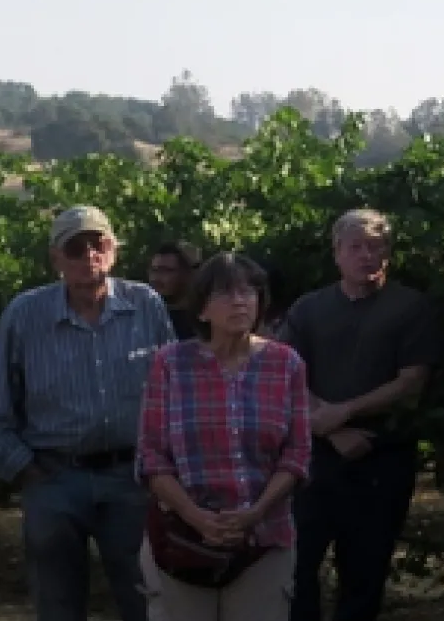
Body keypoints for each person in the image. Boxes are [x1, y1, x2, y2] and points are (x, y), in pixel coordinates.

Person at [0, 205, 177, 621]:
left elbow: (173, 395)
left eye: (98, 244)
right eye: (75, 247)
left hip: (130, 479)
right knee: (58, 605)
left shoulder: (146, 305)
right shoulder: (24, 315)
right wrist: (30, 473)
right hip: (54, 479)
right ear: (56, 259)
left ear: (114, 250)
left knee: (148, 601)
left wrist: (165, 470)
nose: (89, 255)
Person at [279, 208, 442, 621]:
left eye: (376, 246)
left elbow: (412, 379)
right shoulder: (309, 309)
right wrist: (332, 430)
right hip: (314, 458)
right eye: (356, 247)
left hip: (382, 459)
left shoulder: (409, 307)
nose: (366, 255)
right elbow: (285, 374)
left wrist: (344, 413)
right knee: (297, 568)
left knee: (365, 575)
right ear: (337, 253)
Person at [137, 252, 313, 621]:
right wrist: (196, 515)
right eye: (226, 293)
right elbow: (152, 455)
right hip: (181, 540)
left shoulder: (287, 364)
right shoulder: (169, 364)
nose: (240, 300)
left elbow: (297, 453)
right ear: (201, 309)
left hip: (264, 540)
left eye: (249, 292)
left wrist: (256, 512)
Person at [148, 240, 204, 341]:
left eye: (166, 271)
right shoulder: (146, 315)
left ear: (189, 274)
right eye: (154, 270)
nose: (155, 278)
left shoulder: (204, 319)